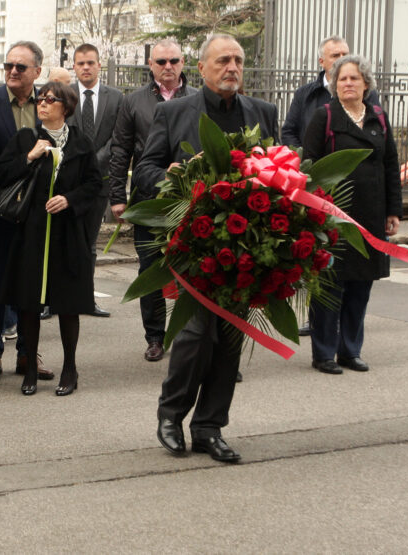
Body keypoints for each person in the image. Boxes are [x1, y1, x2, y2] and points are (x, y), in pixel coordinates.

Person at [134, 33, 278, 464]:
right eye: (222, 61)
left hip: (245, 245)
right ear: (202, 68)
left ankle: (209, 427)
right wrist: (172, 179)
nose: (231, 67)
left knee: (229, 340)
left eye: (237, 60)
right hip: (194, 244)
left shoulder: (263, 113)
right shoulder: (174, 112)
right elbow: (144, 169)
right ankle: (171, 415)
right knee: (196, 335)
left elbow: (279, 166)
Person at [0, 82, 102, 396]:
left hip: (68, 233)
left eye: (50, 99)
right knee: (29, 301)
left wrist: (69, 200)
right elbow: (1, 175)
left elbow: (94, 184)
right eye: (40, 99)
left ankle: (70, 368)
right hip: (32, 232)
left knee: (68, 302)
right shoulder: (26, 138)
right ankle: (29, 367)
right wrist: (29, 157)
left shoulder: (81, 142)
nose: (42, 104)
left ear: (65, 107)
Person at [302, 55, 402, 375]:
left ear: (366, 84)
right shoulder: (325, 117)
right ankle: (324, 353)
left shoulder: (379, 117)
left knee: (361, 287)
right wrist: (313, 212)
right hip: (332, 218)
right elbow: (309, 166)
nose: (348, 84)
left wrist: (393, 212)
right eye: (342, 79)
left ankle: (350, 350)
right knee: (330, 286)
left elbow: (390, 167)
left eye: (354, 79)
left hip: (371, 218)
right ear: (334, 84)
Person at [282, 36, 380, 337]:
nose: (341, 59)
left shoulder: (372, 105)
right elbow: (289, 131)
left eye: (345, 54)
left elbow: (384, 156)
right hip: (322, 192)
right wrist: (307, 166)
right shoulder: (308, 96)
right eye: (334, 55)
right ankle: (322, 327)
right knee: (326, 264)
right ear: (322, 62)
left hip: (363, 201)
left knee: (357, 270)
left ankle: (347, 337)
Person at [109, 39, 196, 362]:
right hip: (149, 200)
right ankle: (155, 337)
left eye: (173, 60)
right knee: (151, 270)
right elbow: (121, 151)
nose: (168, 67)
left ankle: (189, 333)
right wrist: (118, 197)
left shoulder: (198, 99)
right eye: (161, 62)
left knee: (193, 269)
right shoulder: (134, 103)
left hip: (191, 200)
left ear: (184, 62)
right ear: (150, 65)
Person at [0, 41, 54, 383]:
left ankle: (27, 352)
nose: (12, 71)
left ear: (37, 72)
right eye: (8, 65)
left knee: (31, 285)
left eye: (20, 67)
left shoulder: (49, 102)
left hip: (37, 213)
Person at [63, 43, 122, 318]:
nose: (86, 67)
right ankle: (56, 299)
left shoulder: (116, 98)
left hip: (99, 183)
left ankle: (86, 299)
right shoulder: (64, 95)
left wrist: (93, 161)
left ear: (99, 65)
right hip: (68, 184)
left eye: (90, 63)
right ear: (74, 67)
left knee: (89, 243)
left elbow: (118, 138)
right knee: (62, 242)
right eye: (80, 63)